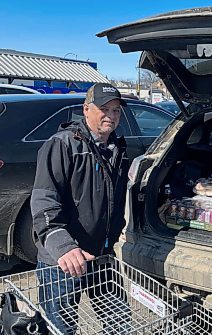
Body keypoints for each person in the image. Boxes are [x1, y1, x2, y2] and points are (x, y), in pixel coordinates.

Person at [31, 83, 130, 334]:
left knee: (119, 322)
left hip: (101, 256)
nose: (111, 115)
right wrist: (64, 246)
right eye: (104, 108)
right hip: (64, 260)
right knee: (61, 327)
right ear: (86, 109)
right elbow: (44, 201)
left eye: (116, 110)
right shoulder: (62, 145)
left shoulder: (117, 148)